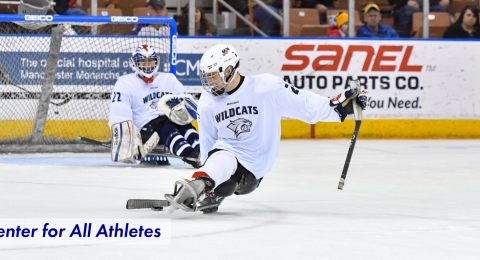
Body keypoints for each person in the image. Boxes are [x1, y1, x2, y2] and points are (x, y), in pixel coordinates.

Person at [165, 44, 368, 214]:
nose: (209, 82)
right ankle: (200, 184)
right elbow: (208, 142)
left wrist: (340, 108)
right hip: (226, 155)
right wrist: (205, 176)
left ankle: (210, 184)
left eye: (213, 76)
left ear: (229, 71)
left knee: (229, 179)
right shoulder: (207, 101)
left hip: (255, 168)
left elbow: (305, 104)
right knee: (222, 167)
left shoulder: (266, 87)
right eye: (206, 76)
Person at [108, 45, 200, 167]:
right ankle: (190, 155)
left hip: (169, 119)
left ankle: (201, 150)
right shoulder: (125, 82)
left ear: (156, 62)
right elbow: (119, 111)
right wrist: (126, 139)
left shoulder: (168, 79)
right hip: (146, 128)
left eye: (150, 61)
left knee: (185, 126)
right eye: (143, 62)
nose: (147, 65)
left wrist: (183, 110)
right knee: (167, 129)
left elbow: (186, 99)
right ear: (134, 63)